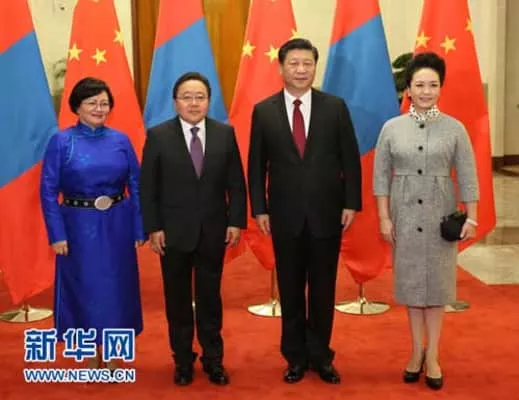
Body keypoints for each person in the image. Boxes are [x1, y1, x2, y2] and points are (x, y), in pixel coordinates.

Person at [248, 38, 362, 384]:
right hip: (284, 216)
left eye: (307, 63)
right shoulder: (264, 111)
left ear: (315, 67)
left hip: (327, 213)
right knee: (291, 289)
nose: (301, 70)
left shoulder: (335, 107)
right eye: (294, 63)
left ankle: (321, 356)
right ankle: (295, 357)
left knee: (324, 290)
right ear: (281, 67)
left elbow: (350, 159)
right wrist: (260, 208)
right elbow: (256, 165)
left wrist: (351, 202)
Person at [373, 52, 479, 391]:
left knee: (436, 289)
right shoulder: (392, 128)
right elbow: (380, 177)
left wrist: (472, 217)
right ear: (408, 88)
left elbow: (468, 175)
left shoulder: (455, 128)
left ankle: (433, 355)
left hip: (440, 216)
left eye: (433, 85)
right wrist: (384, 217)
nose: (426, 91)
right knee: (412, 288)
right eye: (419, 85)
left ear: (441, 88)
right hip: (403, 216)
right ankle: (415, 350)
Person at [139, 72, 246, 386]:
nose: (194, 103)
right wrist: (154, 227)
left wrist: (235, 221)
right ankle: (183, 360)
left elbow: (236, 184)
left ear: (209, 101)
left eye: (200, 97)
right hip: (172, 233)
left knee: (210, 298)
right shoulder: (158, 136)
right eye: (187, 97)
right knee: (178, 300)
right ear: (175, 102)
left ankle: (214, 359)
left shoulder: (225, 134)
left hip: (214, 230)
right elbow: (148, 188)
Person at [40, 77, 145, 371]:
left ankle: (112, 351)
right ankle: (89, 350)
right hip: (77, 226)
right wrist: (56, 234)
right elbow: (48, 190)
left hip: (117, 223)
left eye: (104, 103)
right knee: (84, 288)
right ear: (77, 106)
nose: (99, 109)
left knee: (117, 288)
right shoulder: (62, 141)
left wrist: (139, 227)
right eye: (92, 103)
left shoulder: (121, 140)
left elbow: (136, 185)